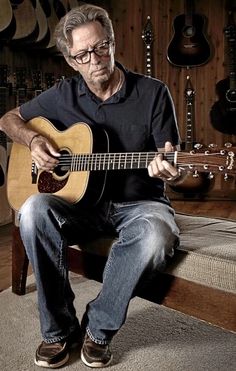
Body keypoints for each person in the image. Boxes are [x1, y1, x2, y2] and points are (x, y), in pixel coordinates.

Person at [0, 4, 185, 369]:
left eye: (101, 47)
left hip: (140, 203)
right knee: (34, 210)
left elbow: (173, 160)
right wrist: (34, 142)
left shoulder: (153, 93)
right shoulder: (62, 95)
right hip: (81, 205)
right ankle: (58, 332)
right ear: (71, 60)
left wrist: (173, 172)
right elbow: (8, 120)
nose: (95, 59)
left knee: (156, 236)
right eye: (83, 54)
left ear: (113, 43)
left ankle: (98, 328)